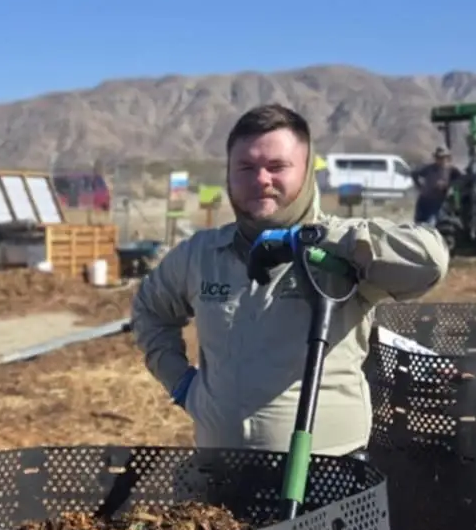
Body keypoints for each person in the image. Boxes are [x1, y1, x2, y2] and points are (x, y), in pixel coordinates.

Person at [131, 103, 448, 453]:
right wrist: (181, 384)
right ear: (229, 175)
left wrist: (311, 240)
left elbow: (429, 262)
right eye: (246, 167)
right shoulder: (201, 254)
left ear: (307, 171)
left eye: (277, 166)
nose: (260, 179)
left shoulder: (342, 246)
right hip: (221, 474)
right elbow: (150, 310)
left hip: (328, 474)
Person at [412, 145, 456, 225]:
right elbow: (414, 173)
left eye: (443, 157)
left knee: (430, 223)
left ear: (447, 158)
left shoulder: (451, 170)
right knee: (418, 224)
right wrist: (419, 186)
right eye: (438, 157)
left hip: (437, 202)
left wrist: (447, 186)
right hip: (424, 200)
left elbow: (460, 181)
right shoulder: (429, 168)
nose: (440, 160)